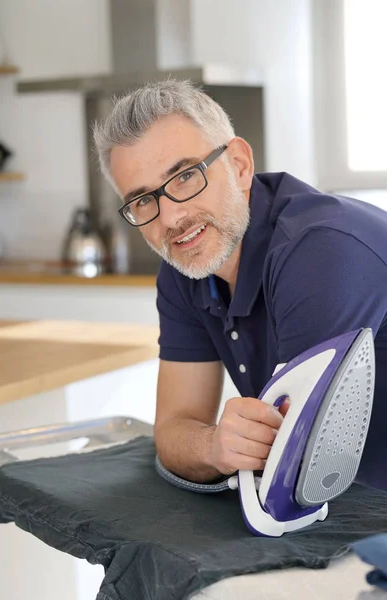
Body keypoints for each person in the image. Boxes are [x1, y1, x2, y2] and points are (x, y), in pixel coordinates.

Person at [94, 79, 387, 490]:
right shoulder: (186, 267)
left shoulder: (321, 251)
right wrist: (213, 445)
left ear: (240, 165)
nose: (170, 219)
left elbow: (294, 459)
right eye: (143, 200)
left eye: (184, 177)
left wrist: (224, 448)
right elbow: (173, 430)